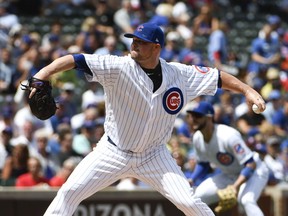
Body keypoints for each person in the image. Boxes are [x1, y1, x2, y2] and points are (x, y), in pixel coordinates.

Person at [29, 22, 266, 216]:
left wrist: (247, 90)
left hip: (154, 156)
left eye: (141, 42)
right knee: (69, 192)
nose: (135, 45)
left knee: (191, 203)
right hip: (113, 152)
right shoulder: (118, 67)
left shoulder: (179, 75)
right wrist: (41, 75)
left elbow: (218, 77)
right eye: (133, 40)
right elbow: (75, 59)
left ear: (156, 47)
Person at [186, 101, 269, 216]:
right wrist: (192, 179)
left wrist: (235, 187)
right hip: (230, 175)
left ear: (209, 118)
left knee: (246, 200)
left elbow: (250, 164)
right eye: (192, 116)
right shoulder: (197, 138)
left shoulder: (227, 135)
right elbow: (203, 164)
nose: (193, 119)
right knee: (197, 197)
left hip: (255, 171)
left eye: (198, 116)